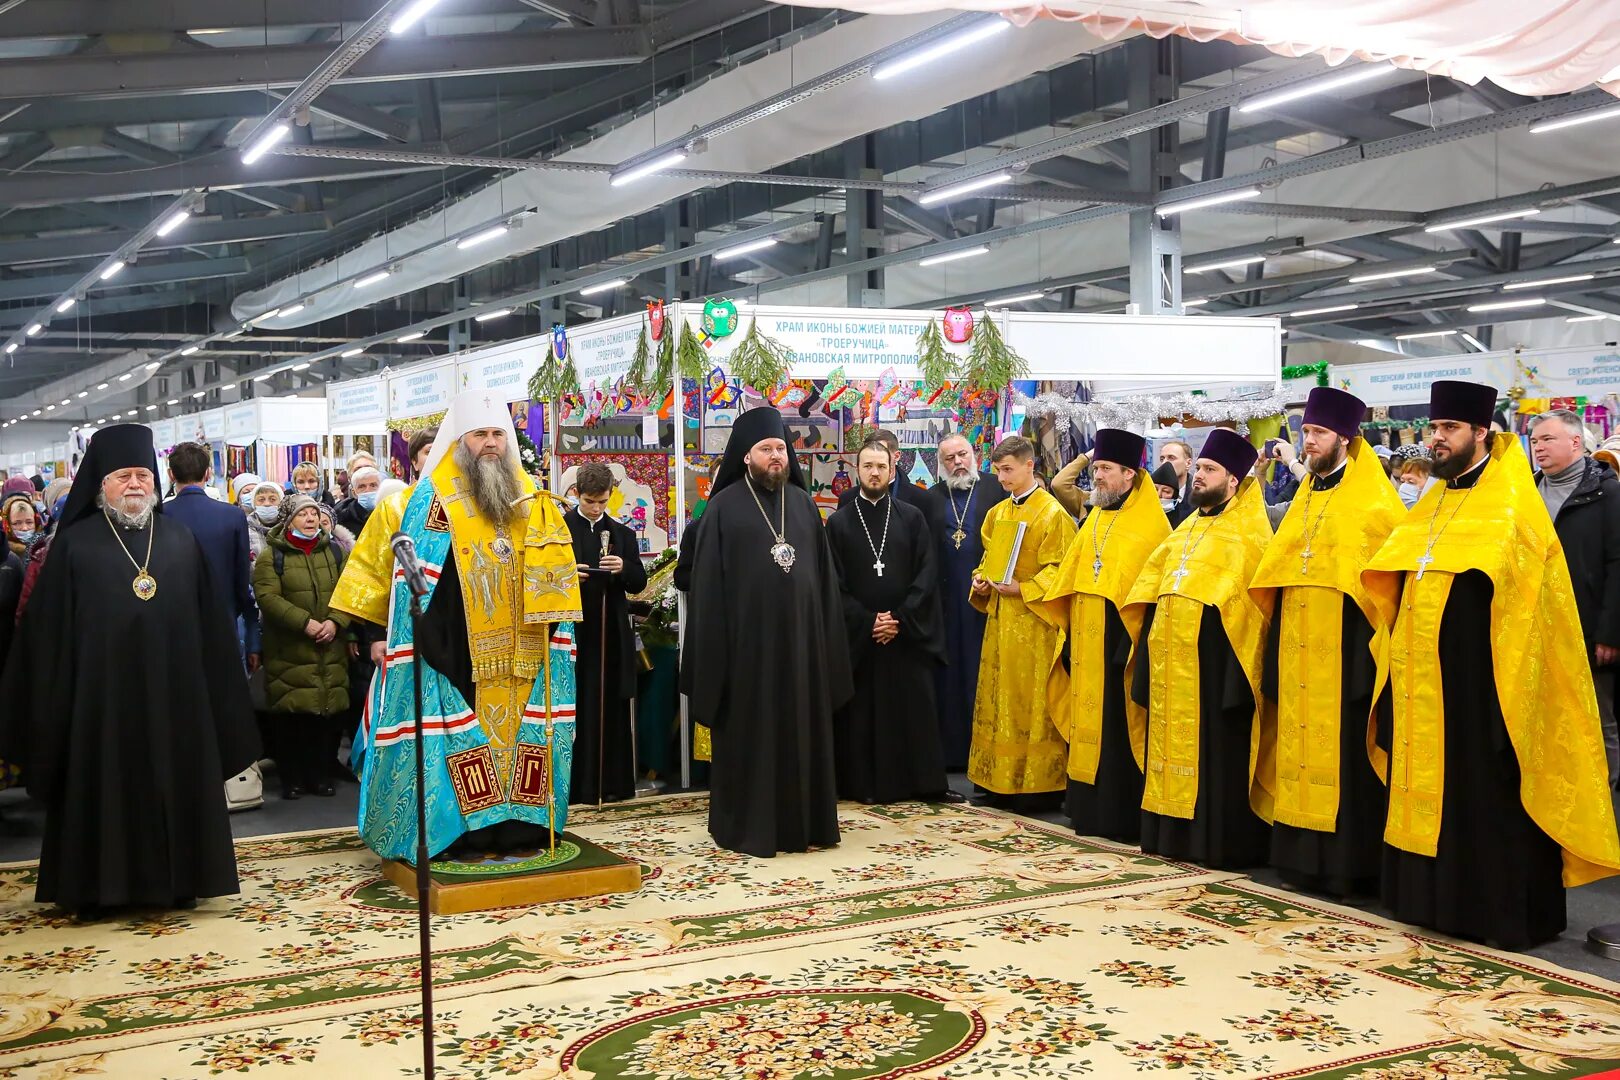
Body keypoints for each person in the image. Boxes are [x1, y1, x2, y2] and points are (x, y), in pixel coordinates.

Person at [1364, 381, 1620, 947]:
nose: (1438, 439)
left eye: (1449, 429)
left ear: (1482, 433)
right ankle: (1425, 898)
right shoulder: (1433, 500)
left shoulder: (1511, 503)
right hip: (1427, 675)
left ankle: (1490, 909)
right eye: (1434, 429)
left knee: (1484, 786)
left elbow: (1534, 595)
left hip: (1487, 680)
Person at [0, 425, 259, 918]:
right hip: (98, 707)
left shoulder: (181, 540)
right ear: (101, 484)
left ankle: (179, 882)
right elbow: (47, 638)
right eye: (123, 476)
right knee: (101, 790)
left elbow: (210, 627)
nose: (136, 484)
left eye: (143, 474)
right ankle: (96, 890)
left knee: (174, 782)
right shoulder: (74, 546)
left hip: (175, 701)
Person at [331, 393, 583, 861]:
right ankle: (461, 831)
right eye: (480, 434)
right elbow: (402, 577)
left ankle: (520, 827)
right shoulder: (428, 500)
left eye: (497, 435)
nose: (490, 444)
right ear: (459, 441)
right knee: (461, 739)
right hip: (453, 649)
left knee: (522, 739)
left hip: (526, 648)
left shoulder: (531, 497)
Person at [1250, 388, 1402, 897]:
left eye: (1316, 434)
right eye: (1305, 434)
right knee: (1296, 749)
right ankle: (1297, 860)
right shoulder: (1305, 497)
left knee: (1344, 759)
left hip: (1345, 658)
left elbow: (1380, 591)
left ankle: (1346, 866)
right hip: (1296, 650)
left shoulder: (1374, 502)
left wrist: (1363, 668)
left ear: (1344, 437)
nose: (1307, 442)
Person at [680, 406, 851, 857]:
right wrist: (716, 656)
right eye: (766, 449)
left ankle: (806, 823)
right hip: (747, 656)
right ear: (745, 457)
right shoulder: (722, 509)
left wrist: (826, 646)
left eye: (780, 448)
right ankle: (747, 827)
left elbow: (826, 584)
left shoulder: (803, 505)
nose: (776, 457)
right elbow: (709, 591)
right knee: (752, 739)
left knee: (802, 732)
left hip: (801, 652)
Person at [1124, 428, 1275, 869]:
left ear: (1234, 481)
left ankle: (1214, 844)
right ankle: (1169, 835)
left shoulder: (1250, 536)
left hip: (1214, 671)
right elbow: (1151, 590)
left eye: (1210, 470)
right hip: (1172, 665)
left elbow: (1250, 614)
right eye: (1200, 469)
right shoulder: (1183, 530)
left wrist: (1234, 680)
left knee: (1214, 757)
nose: (1200, 478)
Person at [1038, 429, 1168, 842]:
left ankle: (1119, 817)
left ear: (1130, 474)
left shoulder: (1151, 525)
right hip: (1086, 642)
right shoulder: (1095, 516)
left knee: (1118, 729)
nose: (1098, 477)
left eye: (1106, 470)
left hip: (1121, 647)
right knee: (1087, 727)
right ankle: (1086, 810)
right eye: (1096, 468)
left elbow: (1147, 593)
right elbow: (1075, 576)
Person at [827, 438, 950, 804]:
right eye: (868, 466)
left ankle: (919, 783)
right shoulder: (838, 523)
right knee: (861, 714)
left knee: (910, 709)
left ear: (892, 469)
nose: (875, 472)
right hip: (861, 639)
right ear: (857, 470)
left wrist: (897, 618)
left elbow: (927, 574)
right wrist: (868, 621)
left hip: (906, 635)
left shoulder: (911, 518)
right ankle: (859, 785)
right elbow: (832, 582)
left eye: (881, 466)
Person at [967, 435, 1076, 804]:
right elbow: (987, 559)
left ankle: (1034, 787)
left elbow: (1061, 570)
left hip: (1035, 625)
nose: (1001, 477)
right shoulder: (998, 513)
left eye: (1008, 469)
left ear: (1030, 466)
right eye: (998, 470)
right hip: (1000, 622)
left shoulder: (1053, 514)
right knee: (998, 697)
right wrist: (981, 580)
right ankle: (996, 780)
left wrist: (1024, 589)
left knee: (1029, 701)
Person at [1529, 409, 1620, 794]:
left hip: (1587, 630)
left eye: (1547, 439)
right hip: (1536, 631)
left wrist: (1609, 632)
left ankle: (1604, 806)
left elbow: (1618, 564)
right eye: (1534, 441)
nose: (1538, 448)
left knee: (1597, 723)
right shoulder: (1527, 493)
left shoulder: (1608, 492)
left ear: (1576, 442)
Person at [920, 433, 1008, 771]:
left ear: (974, 455)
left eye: (962, 455)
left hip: (984, 599)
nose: (958, 463)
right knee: (950, 674)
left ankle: (986, 752)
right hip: (945, 601)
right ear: (940, 464)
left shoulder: (993, 488)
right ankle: (953, 753)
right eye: (949, 459)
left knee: (981, 672)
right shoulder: (931, 498)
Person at [254, 494, 350, 800]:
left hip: (329, 648)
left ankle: (319, 776)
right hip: (290, 650)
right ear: (289, 520)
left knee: (325, 717)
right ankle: (292, 779)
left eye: (313, 513)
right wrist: (304, 623)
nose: (310, 519)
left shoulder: (334, 551)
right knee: (292, 717)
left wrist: (335, 622)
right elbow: (268, 598)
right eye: (302, 514)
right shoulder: (273, 556)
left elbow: (350, 591)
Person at [565, 463, 648, 805]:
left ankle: (612, 783)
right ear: (576, 494)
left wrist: (623, 568)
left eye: (602, 502)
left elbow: (639, 582)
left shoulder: (623, 535)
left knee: (612, 703)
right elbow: (542, 577)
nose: (596, 508)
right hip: (574, 629)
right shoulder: (561, 529)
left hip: (610, 632)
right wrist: (571, 575)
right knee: (577, 702)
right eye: (589, 501)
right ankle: (577, 786)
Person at [164, 442, 255, 651]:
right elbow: (242, 574)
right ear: (208, 473)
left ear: (171, 474)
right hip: (222, 616)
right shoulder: (233, 515)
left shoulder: (159, 515)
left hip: (173, 621)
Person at [836, 428, 925, 509]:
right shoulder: (847, 498)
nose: (875, 456)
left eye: (881, 451)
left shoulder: (919, 498)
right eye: (870, 451)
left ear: (897, 456)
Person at [334, 465, 380, 538]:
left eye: (373, 485)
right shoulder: (342, 518)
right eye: (362, 486)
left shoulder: (390, 514)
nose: (368, 490)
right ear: (354, 493)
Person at [3, 494, 37, 561]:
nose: (24, 528)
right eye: (17, 523)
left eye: (29, 522)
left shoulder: (48, 548)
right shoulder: (3, 553)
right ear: (7, 525)